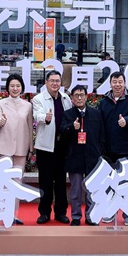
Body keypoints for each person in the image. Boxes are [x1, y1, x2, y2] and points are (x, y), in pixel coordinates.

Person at [97, 71, 128, 225]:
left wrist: (126, 121)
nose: (117, 85)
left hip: (125, 148)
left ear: (125, 83)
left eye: (120, 82)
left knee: (126, 182)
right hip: (108, 149)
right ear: (110, 84)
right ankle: (110, 212)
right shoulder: (103, 102)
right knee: (109, 183)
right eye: (114, 82)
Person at [0, 73, 33, 225]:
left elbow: (30, 127)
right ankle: (1, 211)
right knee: (2, 181)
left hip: (21, 148)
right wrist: (0, 121)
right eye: (12, 86)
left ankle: (13, 214)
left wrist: (30, 147)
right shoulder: (1, 103)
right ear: (7, 88)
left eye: (18, 86)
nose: (15, 88)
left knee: (17, 182)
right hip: (4, 147)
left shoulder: (28, 105)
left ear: (22, 87)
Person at [32, 70, 72, 224]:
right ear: (46, 82)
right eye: (52, 81)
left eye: (57, 81)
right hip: (45, 147)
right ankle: (44, 213)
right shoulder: (38, 99)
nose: (55, 84)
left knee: (61, 182)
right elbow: (37, 115)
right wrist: (46, 118)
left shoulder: (65, 98)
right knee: (45, 182)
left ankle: (61, 212)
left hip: (63, 146)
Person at [61, 85, 104, 226]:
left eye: (82, 95)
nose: (79, 98)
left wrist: (100, 153)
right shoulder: (67, 114)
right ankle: (76, 216)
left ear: (86, 97)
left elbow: (102, 135)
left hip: (93, 157)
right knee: (76, 190)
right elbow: (61, 132)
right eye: (76, 95)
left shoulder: (96, 114)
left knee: (92, 190)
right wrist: (71, 127)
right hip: (75, 157)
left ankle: (91, 216)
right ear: (72, 98)